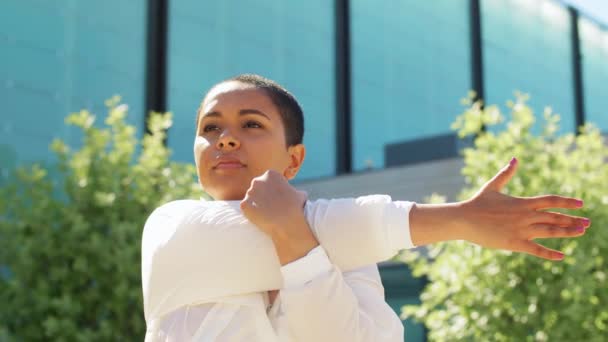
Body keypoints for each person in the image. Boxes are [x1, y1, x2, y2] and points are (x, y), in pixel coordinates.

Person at [141, 74, 590, 341]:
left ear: (293, 158)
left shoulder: (344, 251)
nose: (225, 139)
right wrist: (458, 219)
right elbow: (329, 225)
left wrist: (298, 246)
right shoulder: (170, 226)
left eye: (251, 124)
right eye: (210, 127)